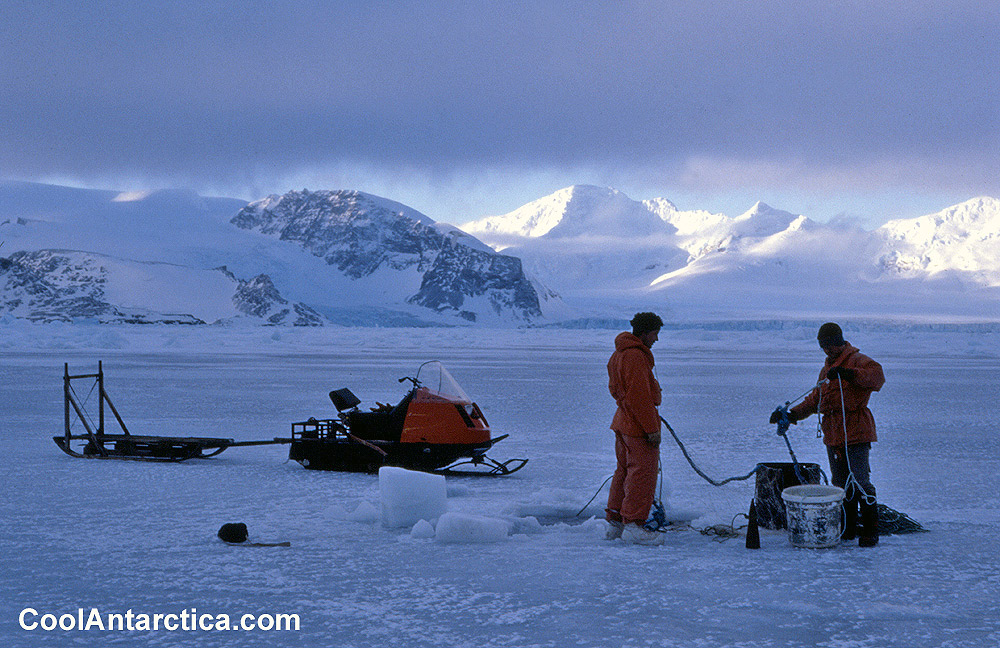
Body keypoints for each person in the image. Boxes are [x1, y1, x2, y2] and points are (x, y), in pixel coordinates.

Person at [774, 322, 885, 547]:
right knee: (840, 484)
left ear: (839, 342)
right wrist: (791, 415)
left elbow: (877, 377)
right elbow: (815, 401)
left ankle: (871, 530)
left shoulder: (857, 360)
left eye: (829, 346)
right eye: (823, 347)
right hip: (834, 435)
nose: (827, 351)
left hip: (856, 432)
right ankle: (848, 528)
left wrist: (848, 374)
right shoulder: (826, 369)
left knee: (861, 481)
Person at [605, 312, 665, 545]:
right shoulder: (635, 357)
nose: (656, 340)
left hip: (623, 422)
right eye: (655, 334)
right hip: (637, 427)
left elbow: (618, 391)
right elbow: (639, 396)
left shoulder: (617, 355)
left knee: (623, 472)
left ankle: (616, 523)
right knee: (642, 475)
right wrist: (651, 429)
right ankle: (633, 525)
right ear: (644, 333)